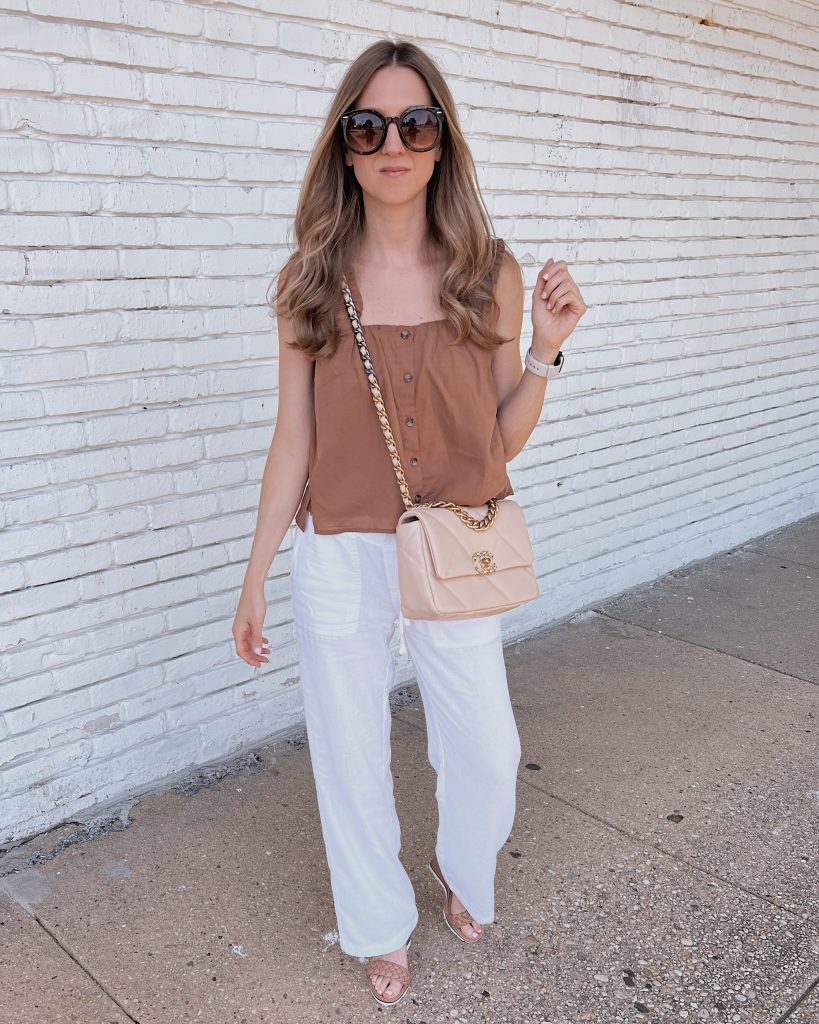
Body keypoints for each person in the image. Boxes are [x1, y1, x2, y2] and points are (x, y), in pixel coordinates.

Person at [232, 38, 587, 1008]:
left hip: (457, 542)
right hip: (339, 549)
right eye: (370, 124)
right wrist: (257, 572)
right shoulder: (310, 280)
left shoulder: (490, 273)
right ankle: (379, 924)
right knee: (348, 751)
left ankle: (465, 873)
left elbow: (499, 443)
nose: (395, 141)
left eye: (417, 122)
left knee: (484, 746)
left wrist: (547, 352)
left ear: (443, 142)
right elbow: (292, 441)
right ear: (344, 146)